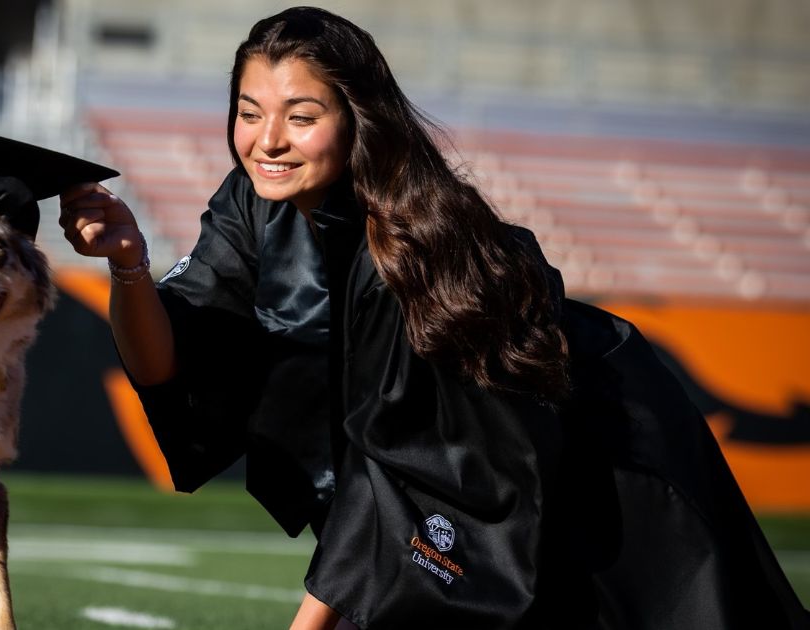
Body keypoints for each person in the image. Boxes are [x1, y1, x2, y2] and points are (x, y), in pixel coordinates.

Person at [59, 7, 808, 629]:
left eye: (302, 115)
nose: (269, 140)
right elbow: (170, 363)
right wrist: (128, 263)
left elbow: (398, 459)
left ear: (358, 118)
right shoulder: (252, 203)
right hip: (438, 485)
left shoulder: (416, 242)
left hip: (585, 458)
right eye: (250, 114)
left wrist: (307, 622)